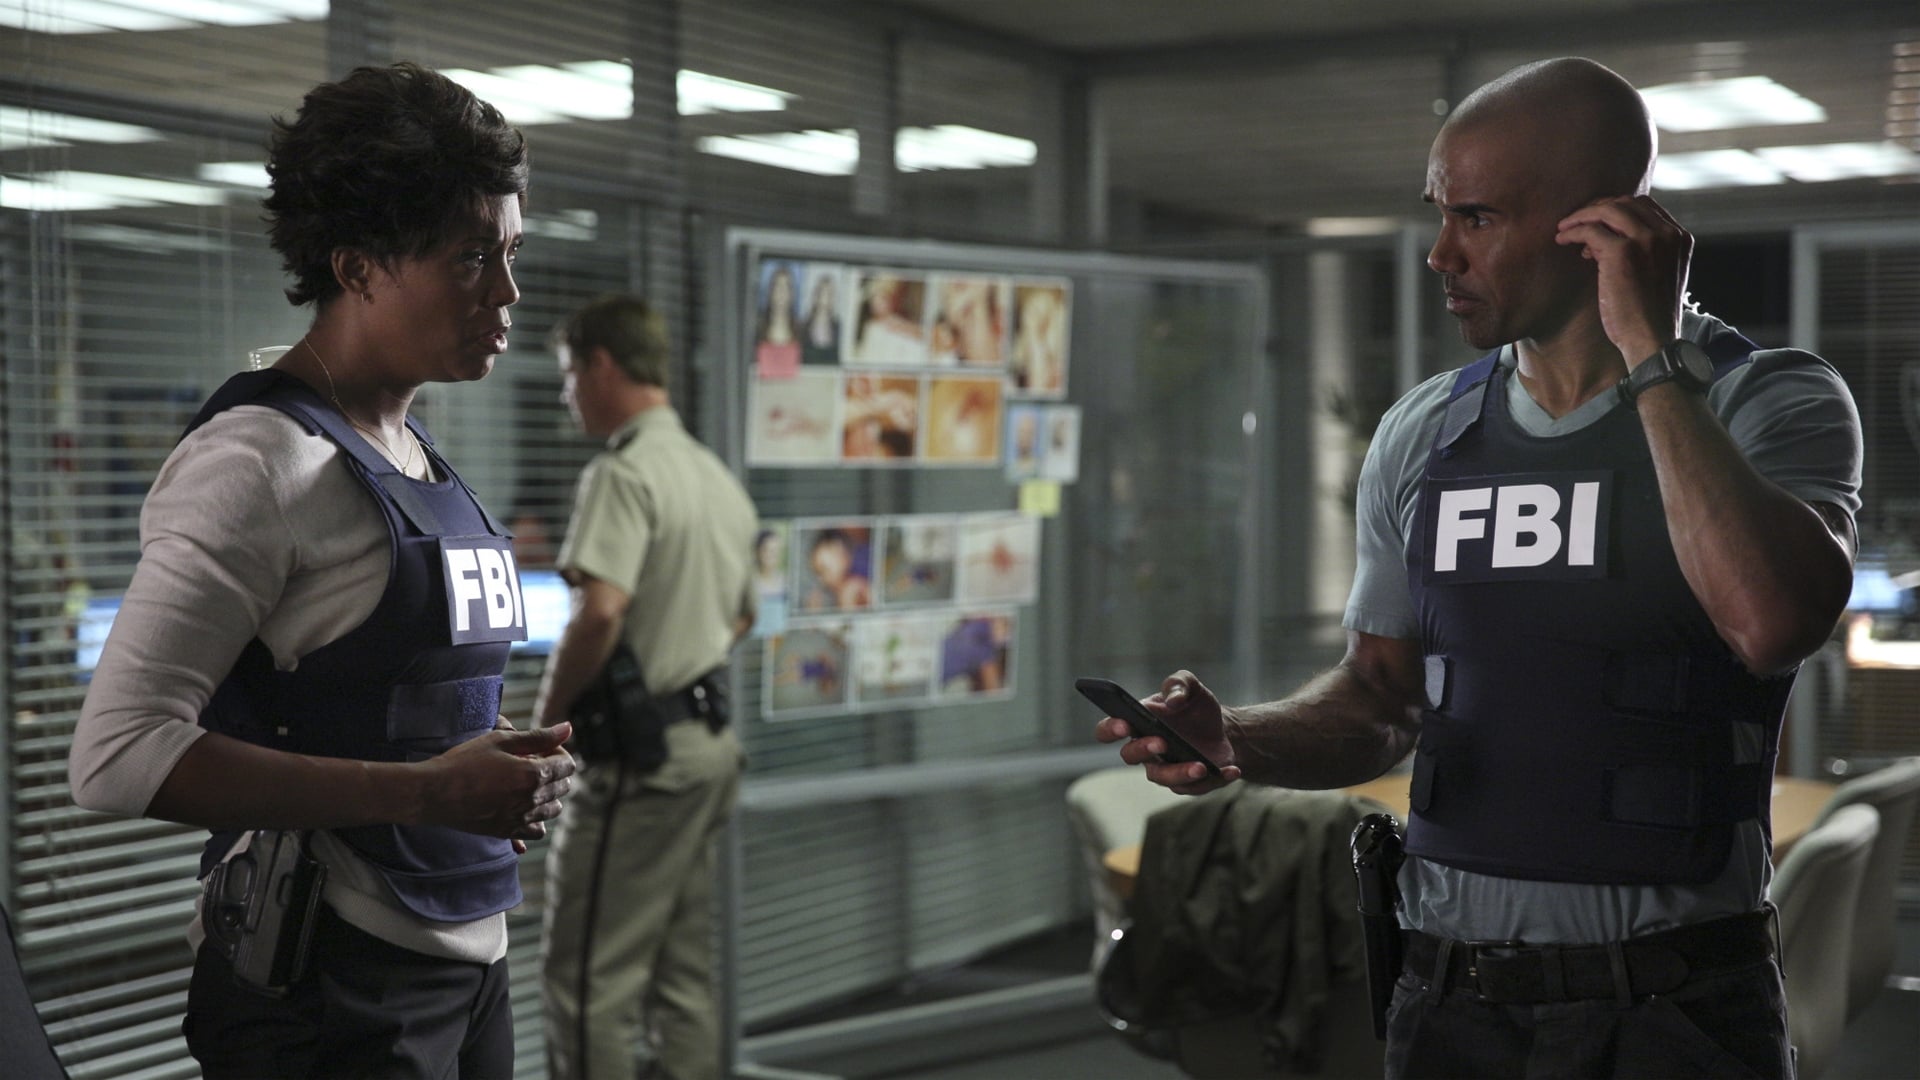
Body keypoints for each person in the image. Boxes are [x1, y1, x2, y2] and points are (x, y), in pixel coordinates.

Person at [1095, 57, 1861, 1080]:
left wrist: (1652, 358)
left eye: (1479, 218)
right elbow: (1381, 697)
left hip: (1673, 1006)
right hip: (1449, 1001)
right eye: (1439, 214)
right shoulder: (1425, 431)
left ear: (1598, 225)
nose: (1440, 254)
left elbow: (1771, 623)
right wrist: (1236, 738)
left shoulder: (1766, 402)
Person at [67, 62, 576, 1077]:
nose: (507, 293)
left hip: (469, 960)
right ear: (359, 267)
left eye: (512, 253)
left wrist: (492, 765)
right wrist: (427, 794)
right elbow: (115, 755)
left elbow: (379, 698)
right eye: (472, 256)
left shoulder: (414, 452)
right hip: (331, 986)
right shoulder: (259, 461)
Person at [535, 294, 759, 1080]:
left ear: (603, 365)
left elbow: (599, 611)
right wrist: (678, 654)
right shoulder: (714, 477)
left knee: (586, 984)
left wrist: (546, 722)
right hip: (706, 751)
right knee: (681, 975)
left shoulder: (622, 474)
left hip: (642, 765)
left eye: (570, 375)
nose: (567, 395)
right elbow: (743, 615)